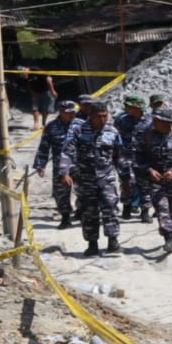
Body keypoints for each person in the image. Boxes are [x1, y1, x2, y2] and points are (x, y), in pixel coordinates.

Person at [61, 100, 124, 257]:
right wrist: (65, 172)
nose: (102, 120)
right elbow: (67, 152)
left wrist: (125, 177)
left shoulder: (113, 132)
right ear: (90, 116)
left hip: (106, 178)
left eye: (105, 116)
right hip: (85, 179)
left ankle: (113, 241)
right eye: (98, 116)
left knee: (110, 208)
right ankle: (92, 244)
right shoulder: (78, 130)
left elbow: (119, 156)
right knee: (89, 212)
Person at [139, 106, 172, 254]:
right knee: (162, 208)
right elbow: (138, 157)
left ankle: (171, 234)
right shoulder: (147, 136)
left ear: (167, 122)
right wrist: (149, 170)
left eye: (158, 120)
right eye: (154, 119)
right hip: (156, 181)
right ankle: (169, 238)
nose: (154, 122)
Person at [32, 100, 80, 227]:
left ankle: (81, 212)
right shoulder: (52, 126)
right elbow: (44, 147)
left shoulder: (81, 125)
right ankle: (65, 217)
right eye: (69, 113)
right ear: (61, 112)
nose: (72, 115)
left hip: (80, 164)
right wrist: (40, 164)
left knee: (84, 191)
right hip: (60, 166)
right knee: (61, 193)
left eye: (74, 112)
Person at [114, 95, 152, 221]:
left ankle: (145, 211)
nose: (127, 108)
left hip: (144, 157)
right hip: (126, 156)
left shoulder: (150, 121)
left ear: (138, 107)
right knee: (126, 182)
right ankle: (126, 207)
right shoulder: (122, 120)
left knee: (145, 184)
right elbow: (115, 137)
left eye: (130, 106)